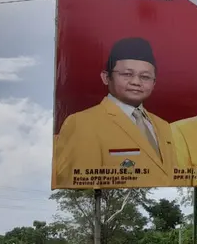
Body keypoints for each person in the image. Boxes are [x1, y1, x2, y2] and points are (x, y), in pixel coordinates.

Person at [53, 37, 177, 187]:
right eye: (127, 74)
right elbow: (76, 185)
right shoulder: (82, 123)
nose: (136, 82)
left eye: (145, 77)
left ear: (154, 83)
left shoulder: (163, 126)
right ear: (106, 77)